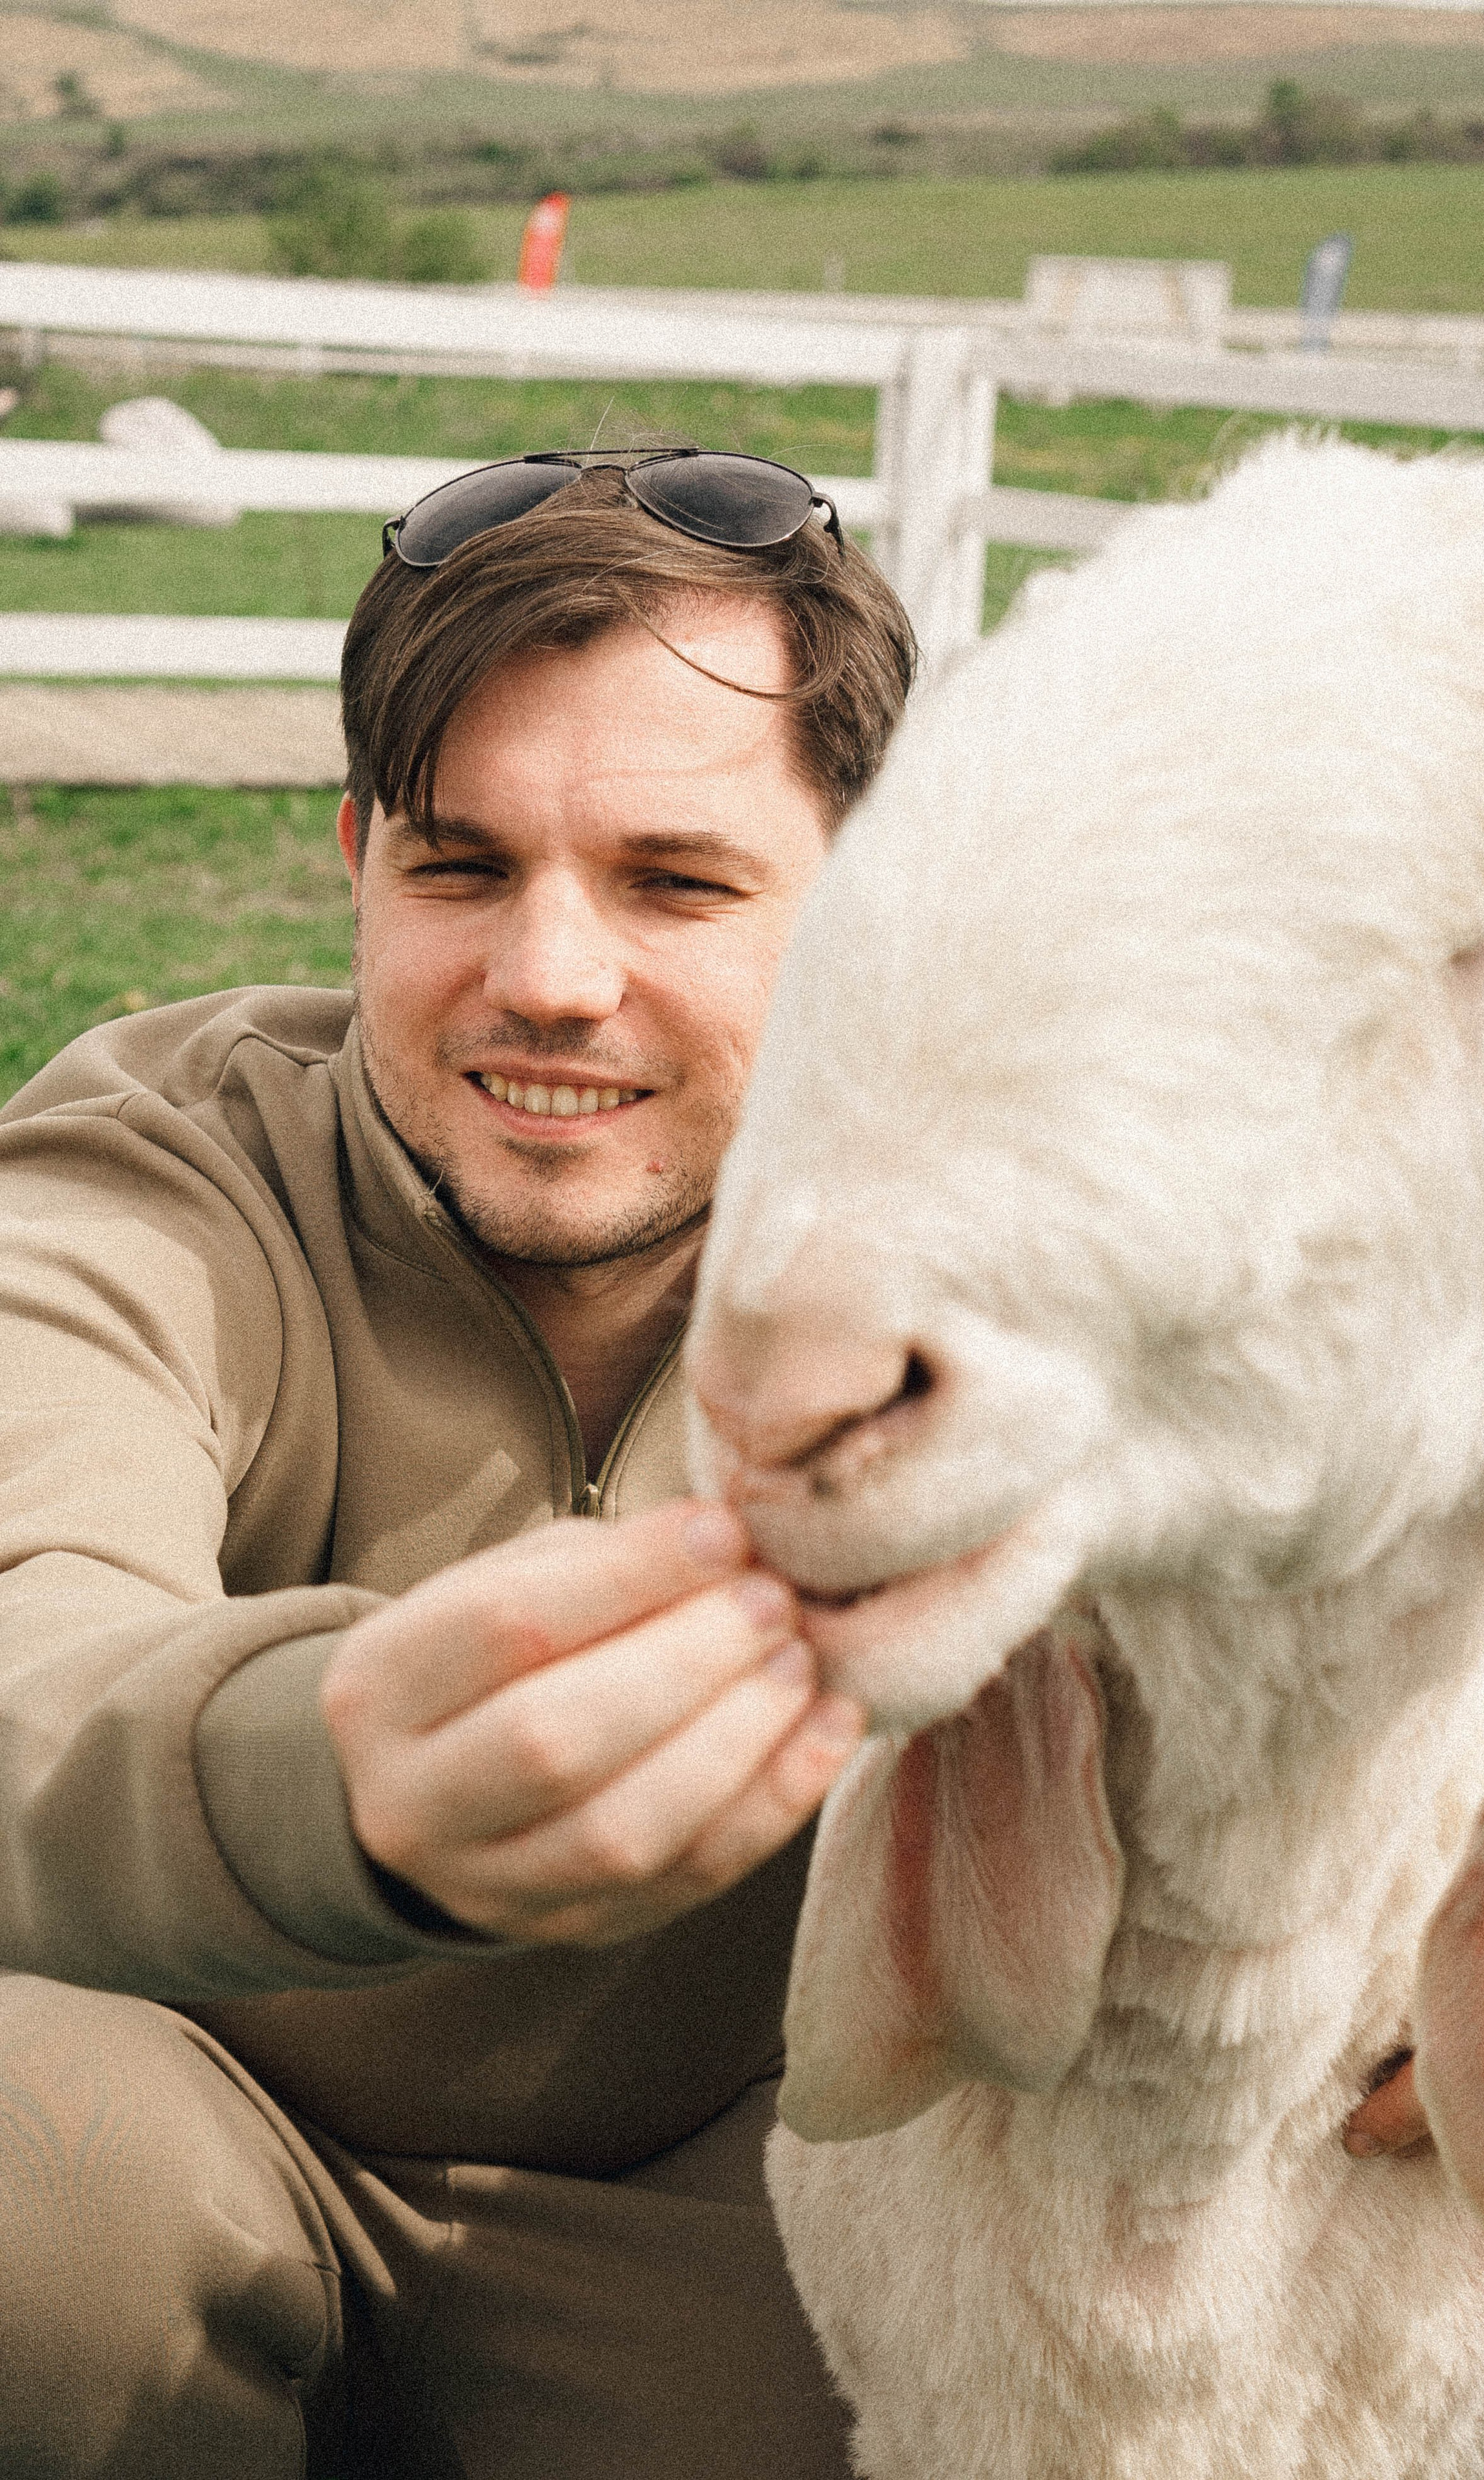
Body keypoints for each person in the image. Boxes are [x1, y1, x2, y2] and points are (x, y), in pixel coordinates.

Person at [0, 449, 916, 2480]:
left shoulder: (1006, 1258)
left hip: (730, 2197)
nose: (553, 980)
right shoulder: (158, 1174)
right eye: (462, 864)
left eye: (674, 882)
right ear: (353, 860)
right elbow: (23, 1645)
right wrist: (339, 1776)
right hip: (174, 2118)